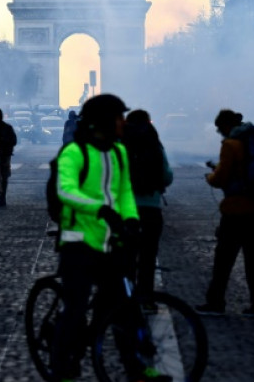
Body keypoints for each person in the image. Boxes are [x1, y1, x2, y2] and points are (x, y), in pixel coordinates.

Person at [51, 94, 164, 381]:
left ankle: (136, 369)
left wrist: (131, 220)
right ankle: (62, 366)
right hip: (78, 241)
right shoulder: (73, 153)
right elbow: (66, 191)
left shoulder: (118, 152)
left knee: (124, 309)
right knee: (76, 309)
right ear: (103, 121)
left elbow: (124, 191)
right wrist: (100, 209)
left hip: (110, 241)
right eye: (118, 117)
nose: (123, 122)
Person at [196, 109, 254, 319]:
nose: (220, 133)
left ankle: (215, 302)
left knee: (223, 260)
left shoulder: (230, 145)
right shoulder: (253, 141)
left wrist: (210, 176)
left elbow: (221, 178)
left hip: (235, 211)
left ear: (226, 126)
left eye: (220, 129)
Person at [121, 109, 173, 304]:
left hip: (125, 211)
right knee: (148, 258)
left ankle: (126, 300)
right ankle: (147, 299)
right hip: (152, 210)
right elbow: (167, 176)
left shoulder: (120, 144)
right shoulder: (155, 145)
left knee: (126, 258)